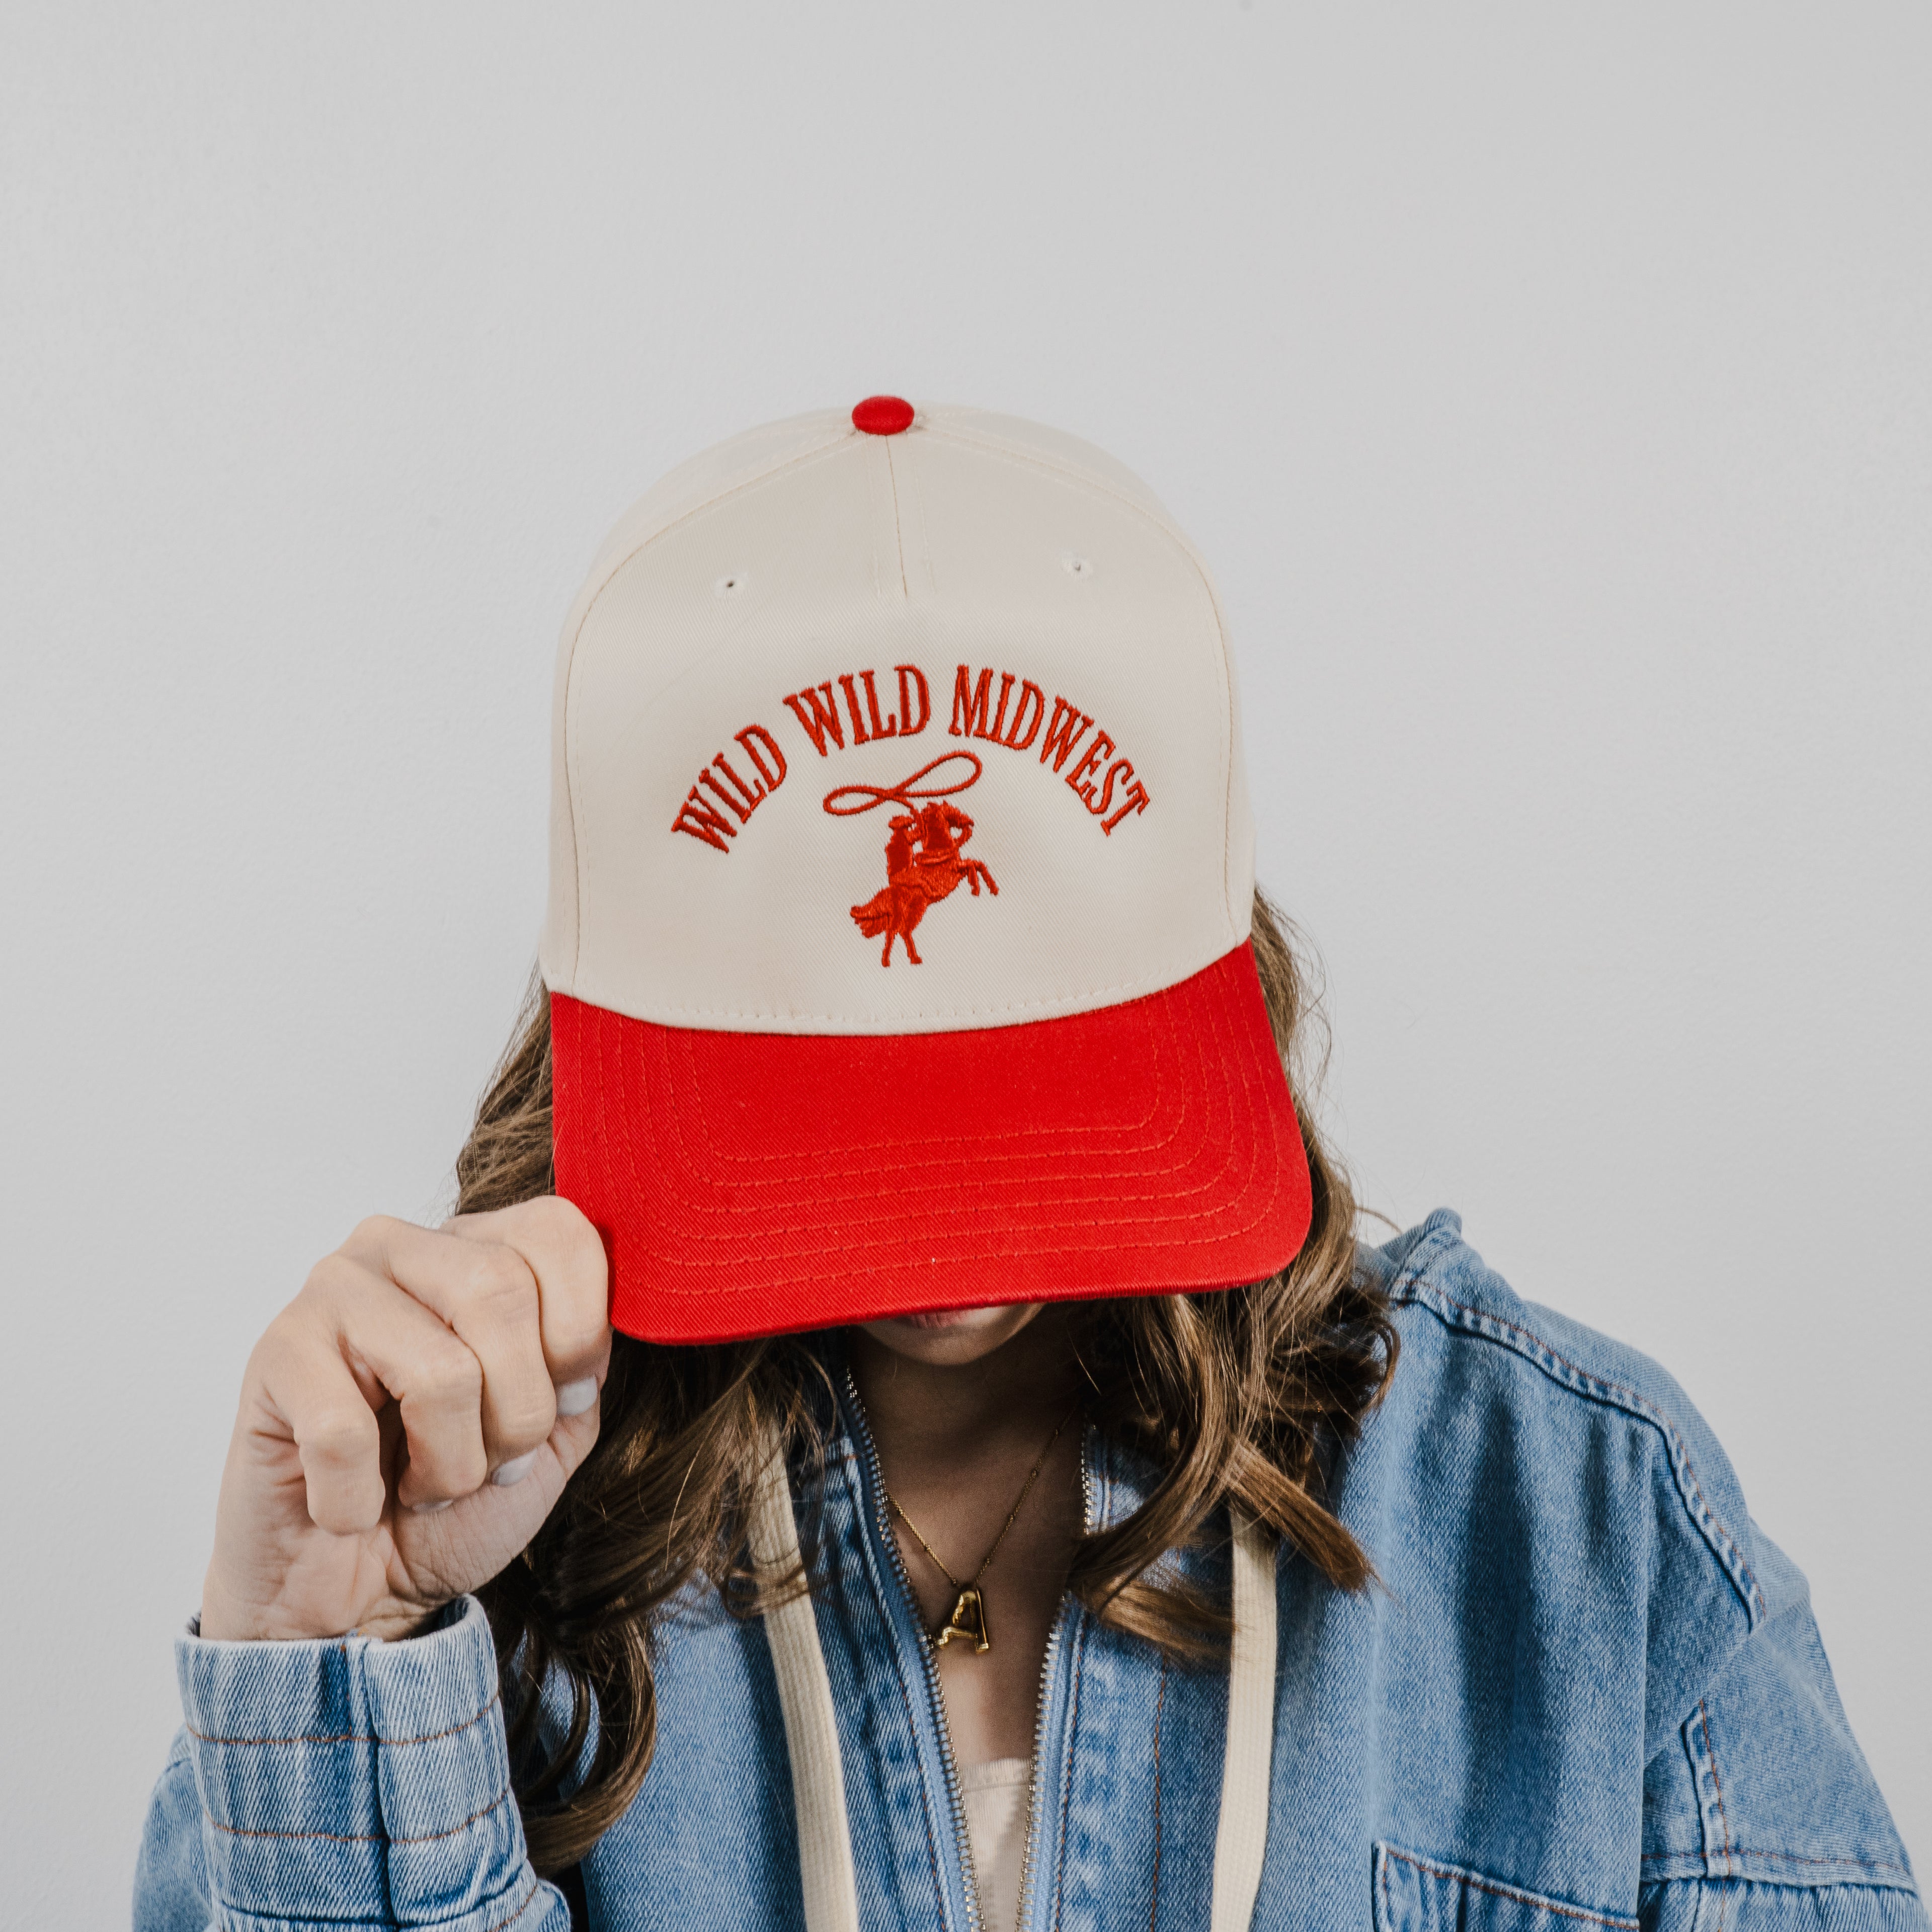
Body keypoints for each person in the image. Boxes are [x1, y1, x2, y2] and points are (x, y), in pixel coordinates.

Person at [135, 399, 1924, 1932]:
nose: (953, 1254)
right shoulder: (452, 1547)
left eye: (1038, 1111)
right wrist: (338, 1656)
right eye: (828, 1129)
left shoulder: (1587, 1531)